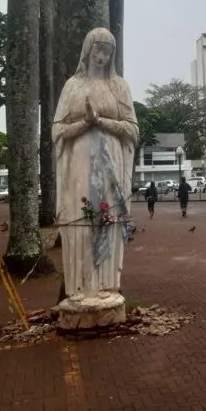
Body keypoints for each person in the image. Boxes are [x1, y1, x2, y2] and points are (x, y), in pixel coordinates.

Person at [52, 28, 139, 298]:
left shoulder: (119, 86)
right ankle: (79, 286)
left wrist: (101, 122)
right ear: (87, 50)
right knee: (81, 218)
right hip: (79, 163)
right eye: (98, 49)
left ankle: (106, 284)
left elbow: (133, 129)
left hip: (111, 164)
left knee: (108, 217)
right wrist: (84, 123)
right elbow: (57, 130)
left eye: (107, 52)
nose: (101, 56)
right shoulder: (73, 86)